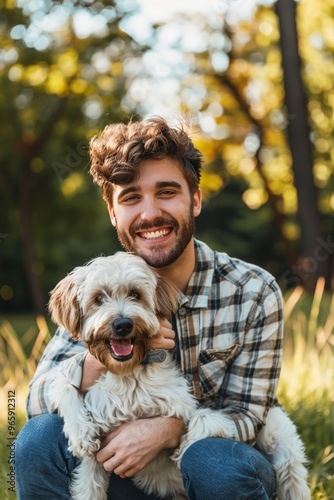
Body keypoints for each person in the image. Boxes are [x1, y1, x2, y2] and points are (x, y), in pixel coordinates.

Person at [16, 117, 282, 499]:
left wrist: (168, 429)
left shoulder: (253, 292)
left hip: (218, 471)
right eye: (130, 197)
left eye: (167, 191)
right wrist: (97, 359)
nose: (150, 213)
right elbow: (35, 400)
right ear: (112, 212)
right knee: (37, 439)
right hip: (131, 475)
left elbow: (251, 418)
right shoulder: (98, 289)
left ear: (195, 199)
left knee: (211, 461)